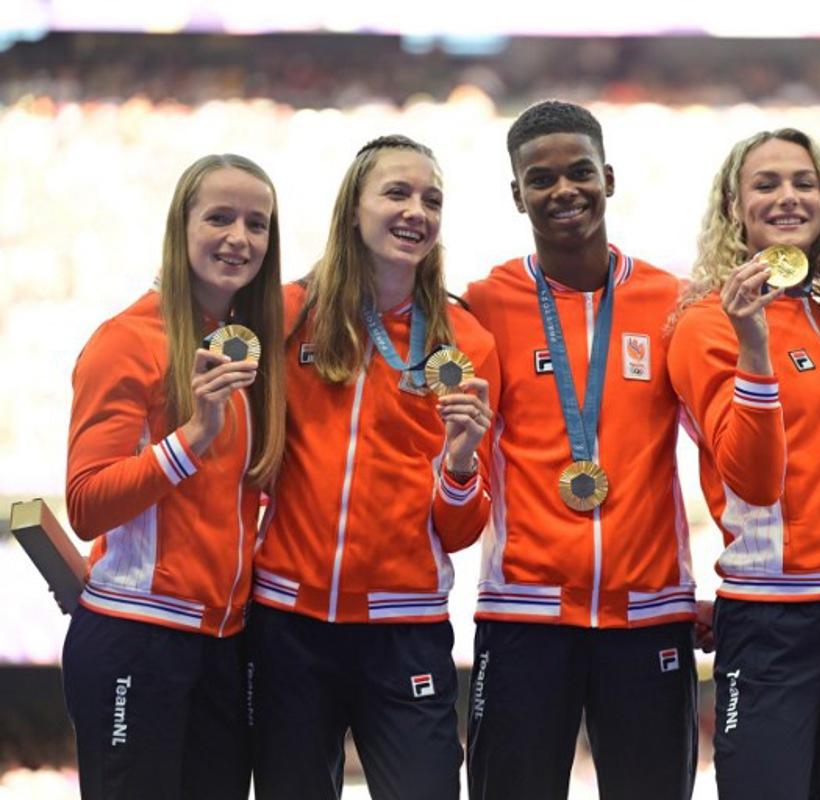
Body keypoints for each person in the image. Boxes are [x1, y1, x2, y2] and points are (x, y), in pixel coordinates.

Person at [248, 134, 499, 800]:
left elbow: (462, 528)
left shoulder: (466, 340)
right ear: (352, 208)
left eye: (432, 199)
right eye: (397, 192)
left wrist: (461, 463)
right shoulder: (289, 313)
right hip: (289, 622)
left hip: (405, 630)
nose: (417, 210)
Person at [668, 128, 820, 799]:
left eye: (804, 183)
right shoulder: (707, 324)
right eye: (767, 184)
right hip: (777, 621)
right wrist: (753, 347)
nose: (788, 197)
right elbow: (751, 477)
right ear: (734, 209)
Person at [463, 100, 698, 800]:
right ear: (516, 195)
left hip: (647, 613)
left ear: (610, 178)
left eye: (580, 172)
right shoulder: (484, 302)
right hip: (523, 616)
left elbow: (721, 448)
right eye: (541, 179)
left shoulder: (673, 301)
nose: (563, 191)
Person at [63, 153, 286, 799]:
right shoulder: (126, 341)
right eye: (219, 217)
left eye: (257, 223)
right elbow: (86, 504)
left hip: (223, 644)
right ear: (180, 227)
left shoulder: (246, 346)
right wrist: (193, 438)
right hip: (137, 637)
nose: (239, 238)